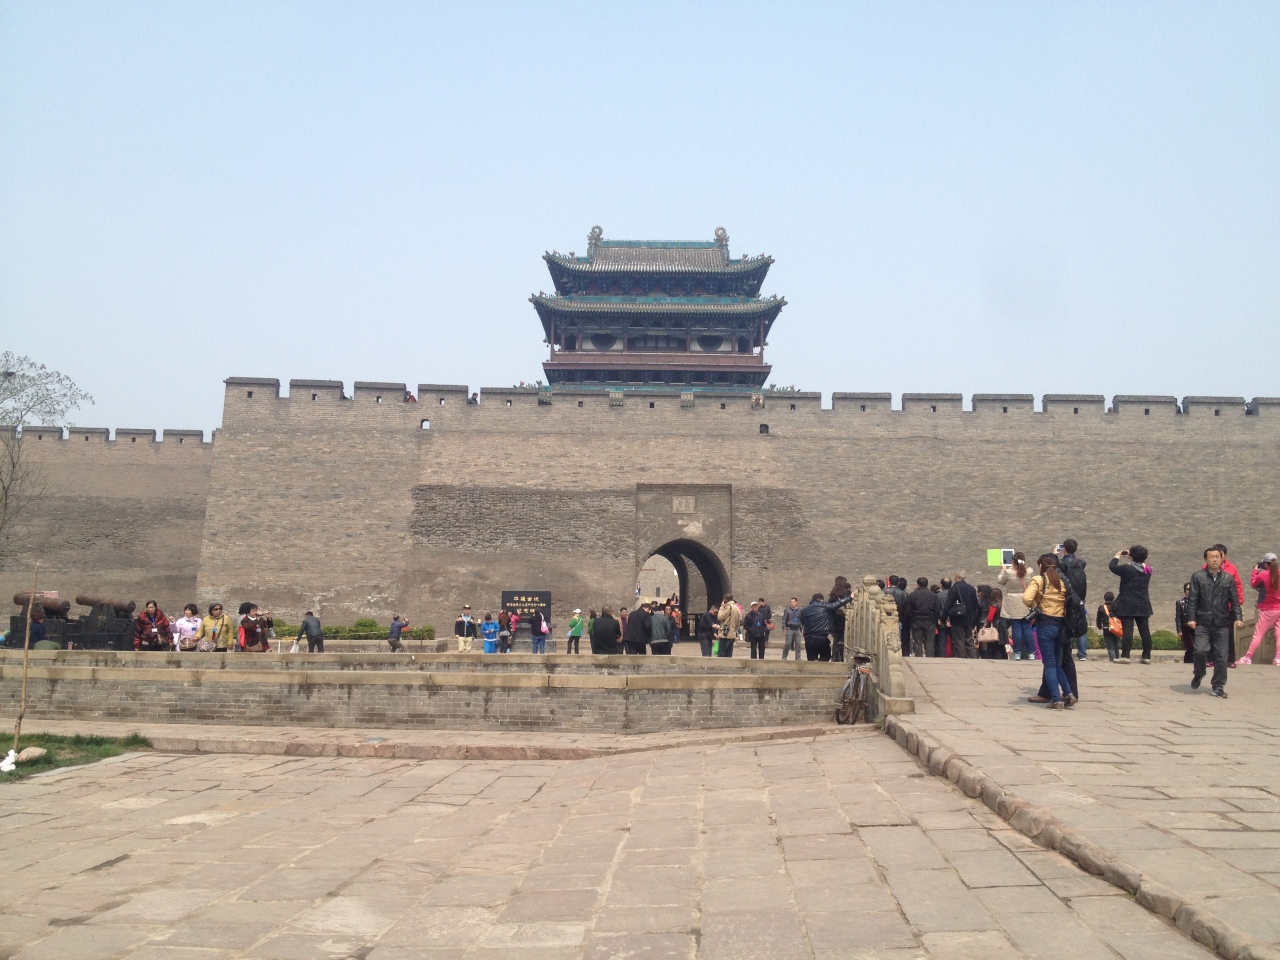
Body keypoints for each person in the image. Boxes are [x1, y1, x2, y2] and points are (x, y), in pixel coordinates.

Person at [1187, 546, 1244, 698]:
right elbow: (1192, 599)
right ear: (1206, 559)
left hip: (1222, 622)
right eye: (1211, 557)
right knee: (1199, 650)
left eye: (1217, 557)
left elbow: (1235, 600)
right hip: (1203, 621)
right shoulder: (1198, 577)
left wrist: (1238, 618)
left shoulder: (1228, 578)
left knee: (1221, 655)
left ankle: (1218, 686)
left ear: (1222, 559)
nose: (1214, 559)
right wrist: (1191, 618)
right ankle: (1199, 673)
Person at [1022, 555, 1075, 708]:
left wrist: (1037, 603)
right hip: (1060, 624)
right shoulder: (1061, 581)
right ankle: (1068, 692)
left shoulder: (1039, 580)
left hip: (1045, 623)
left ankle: (1056, 699)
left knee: (1049, 663)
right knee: (1054, 662)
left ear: (1040, 566)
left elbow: (1026, 599)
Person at [1109, 547, 1153, 663]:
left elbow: (1112, 567)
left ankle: (1125, 656)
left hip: (1128, 603)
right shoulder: (1147, 570)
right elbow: (1142, 563)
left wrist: (1117, 556)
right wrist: (1134, 557)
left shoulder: (1128, 569)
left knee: (1128, 630)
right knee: (1145, 631)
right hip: (1143, 603)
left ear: (1132, 556)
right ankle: (1147, 656)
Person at [1207, 544, 1245, 667]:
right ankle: (1210, 658)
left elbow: (1237, 585)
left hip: (1227, 607)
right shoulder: (1205, 569)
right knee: (1210, 633)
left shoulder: (1231, 569)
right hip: (1210, 608)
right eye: (1213, 556)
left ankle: (1230, 659)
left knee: (1228, 634)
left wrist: (1238, 602)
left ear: (1224, 556)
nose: (1216, 558)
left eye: (1219, 555)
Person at [1240, 553, 1280, 665]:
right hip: (1279, 607)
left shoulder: (1263, 575)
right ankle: (1278, 658)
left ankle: (1248, 657)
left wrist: (1254, 572)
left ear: (1266, 564)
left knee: (1258, 633)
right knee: (1279, 632)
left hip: (1268, 609)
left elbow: (1253, 584)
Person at [998, 554, 1036, 661]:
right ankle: (1031, 653)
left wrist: (1003, 569)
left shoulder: (1009, 572)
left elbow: (1000, 581)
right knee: (1027, 628)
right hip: (1025, 600)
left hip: (1012, 601)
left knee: (1016, 628)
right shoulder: (1029, 571)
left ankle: (1017, 653)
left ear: (1013, 562)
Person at [1057, 539, 1089, 661]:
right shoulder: (1081, 563)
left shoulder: (1062, 563)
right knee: (1080, 621)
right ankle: (1082, 653)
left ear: (1064, 548)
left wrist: (1055, 554)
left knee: (1065, 622)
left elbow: (1055, 567)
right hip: (1080, 597)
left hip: (1067, 596)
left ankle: (1067, 649)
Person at [800, 591, 853, 662]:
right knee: (826, 656)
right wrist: (850, 597)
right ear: (822, 600)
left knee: (811, 660)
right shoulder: (825, 606)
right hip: (822, 638)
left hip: (808, 639)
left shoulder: (804, 610)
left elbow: (802, 622)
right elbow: (837, 604)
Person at [945, 571, 979, 659]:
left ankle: (962, 658)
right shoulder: (971, 588)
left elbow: (948, 605)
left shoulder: (954, 589)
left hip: (957, 618)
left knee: (959, 640)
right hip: (969, 618)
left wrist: (943, 618)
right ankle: (973, 658)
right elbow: (976, 605)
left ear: (956, 577)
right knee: (969, 640)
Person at [902, 578, 938, 657]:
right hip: (930, 620)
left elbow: (908, 610)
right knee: (930, 642)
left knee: (918, 641)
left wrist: (909, 621)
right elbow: (937, 610)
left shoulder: (913, 595)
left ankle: (918, 657)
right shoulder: (933, 595)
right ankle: (930, 657)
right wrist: (935, 621)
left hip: (916, 620)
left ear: (918, 585)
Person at [828, 577, 853, 661]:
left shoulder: (833, 593)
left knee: (836, 640)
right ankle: (841, 658)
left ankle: (834, 658)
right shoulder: (847, 593)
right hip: (844, 619)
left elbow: (830, 607)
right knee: (843, 641)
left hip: (834, 620)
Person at [1097, 591, 1123, 662]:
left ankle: (1113, 659)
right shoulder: (1117, 606)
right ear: (1113, 598)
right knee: (1116, 646)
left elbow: (1098, 619)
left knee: (1110, 646)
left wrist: (1099, 626)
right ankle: (1117, 658)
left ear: (1104, 598)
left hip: (1106, 628)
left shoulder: (1102, 607)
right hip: (1116, 628)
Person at [1174, 584, 1194, 664]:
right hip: (1185, 628)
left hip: (1196, 627)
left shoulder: (1198, 602)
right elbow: (1178, 617)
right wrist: (1179, 630)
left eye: (1191, 589)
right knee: (1190, 647)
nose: (1189, 591)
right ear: (1185, 590)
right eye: (1187, 589)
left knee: (1198, 647)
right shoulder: (1180, 602)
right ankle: (1188, 662)